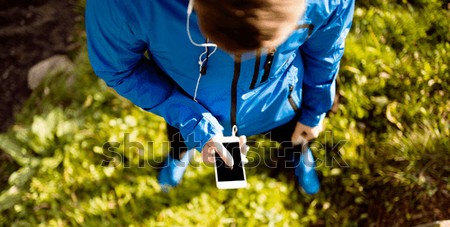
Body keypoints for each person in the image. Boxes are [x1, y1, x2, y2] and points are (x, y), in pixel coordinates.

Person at [85, 0, 355, 194]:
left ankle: (300, 158)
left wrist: (314, 112)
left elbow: (326, 52)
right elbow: (118, 68)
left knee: (295, 138)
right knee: (180, 139)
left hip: (281, 102)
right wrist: (191, 120)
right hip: (191, 106)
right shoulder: (124, 4)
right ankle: (179, 157)